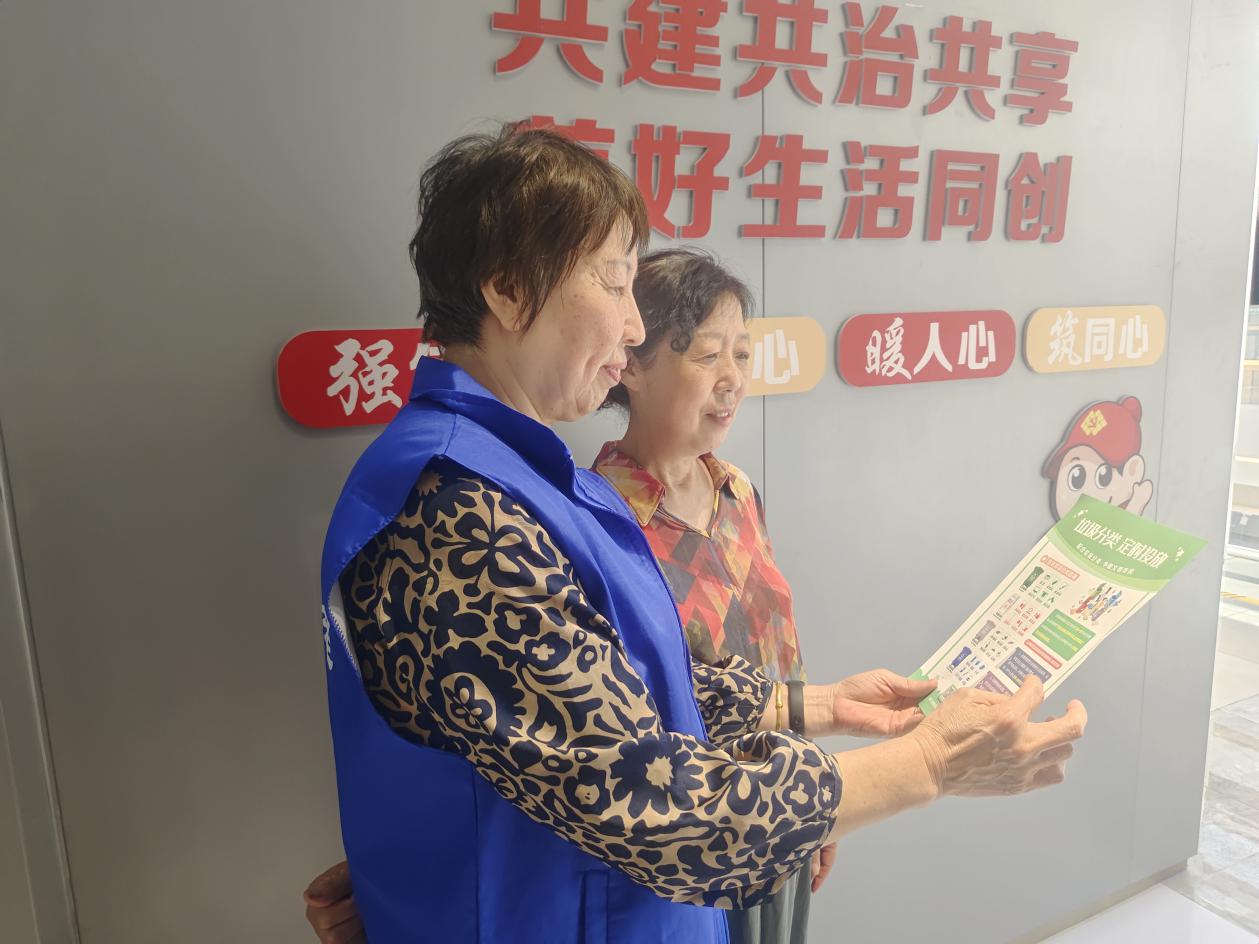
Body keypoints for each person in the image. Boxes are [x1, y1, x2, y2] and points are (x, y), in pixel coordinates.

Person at [311, 122, 1087, 944]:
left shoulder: (522, 474)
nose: (631, 327)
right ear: (506, 291)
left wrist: (814, 703)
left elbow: (629, 682)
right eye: (614, 283)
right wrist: (929, 762)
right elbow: (661, 808)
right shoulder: (456, 512)